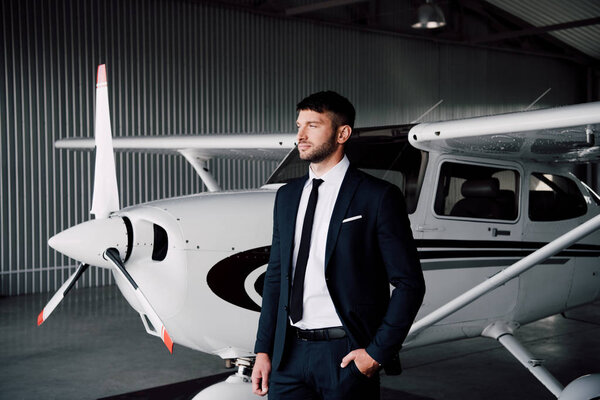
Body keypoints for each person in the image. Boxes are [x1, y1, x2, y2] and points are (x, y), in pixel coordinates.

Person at [252, 91, 425, 400]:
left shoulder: (378, 196)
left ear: (342, 133)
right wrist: (264, 350)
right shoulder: (287, 196)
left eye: (313, 126)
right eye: (298, 125)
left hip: (346, 355)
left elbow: (409, 283)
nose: (300, 136)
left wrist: (376, 353)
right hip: (287, 356)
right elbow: (276, 277)